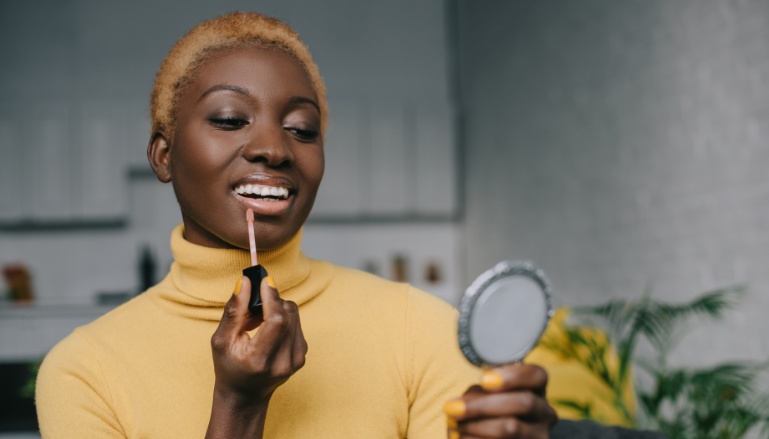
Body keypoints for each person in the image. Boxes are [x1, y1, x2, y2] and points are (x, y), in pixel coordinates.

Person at [35, 11, 557, 438]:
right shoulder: (83, 371)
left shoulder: (419, 329)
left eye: (301, 128)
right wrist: (237, 407)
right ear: (164, 155)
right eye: (229, 119)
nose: (273, 148)